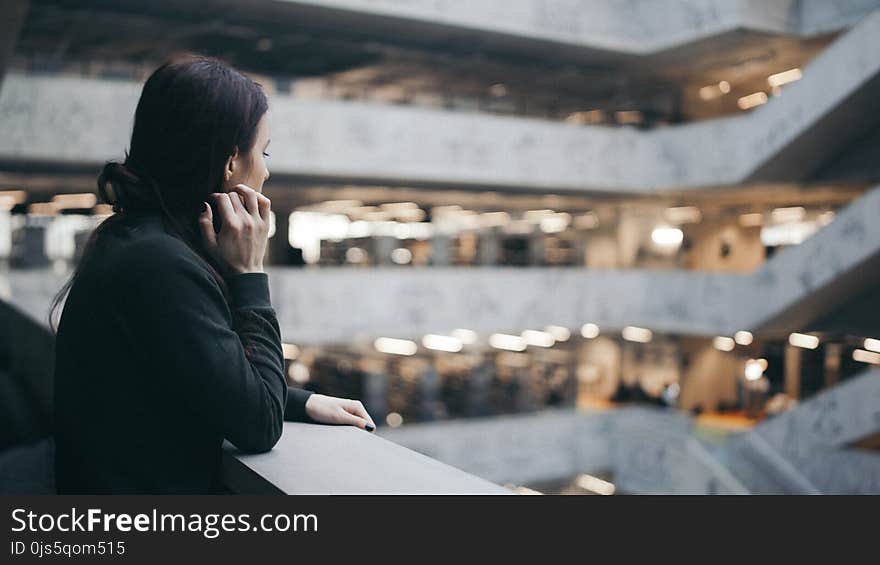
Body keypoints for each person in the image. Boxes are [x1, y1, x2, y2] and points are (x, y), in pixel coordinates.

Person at [51, 55, 375, 494]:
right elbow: (257, 424)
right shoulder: (160, 264)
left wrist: (301, 401)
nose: (266, 169)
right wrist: (249, 274)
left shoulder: (134, 238)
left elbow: (199, 372)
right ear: (229, 164)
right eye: (263, 152)